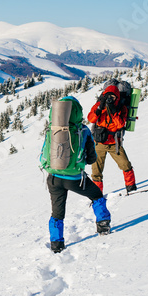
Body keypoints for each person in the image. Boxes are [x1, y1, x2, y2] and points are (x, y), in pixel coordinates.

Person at [41, 96, 111, 253]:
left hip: (53, 178)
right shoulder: (83, 130)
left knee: (57, 213)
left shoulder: (53, 129)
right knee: (96, 195)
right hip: (75, 179)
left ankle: (56, 244)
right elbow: (92, 159)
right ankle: (103, 224)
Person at [87, 80, 137, 194]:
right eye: (108, 96)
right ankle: (97, 194)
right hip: (99, 143)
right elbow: (91, 119)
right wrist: (100, 108)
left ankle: (131, 188)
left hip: (115, 143)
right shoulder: (99, 105)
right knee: (96, 171)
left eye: (113, 97)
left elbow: (120, 124)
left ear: (117, 97)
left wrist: (114, 110)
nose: (110, 99)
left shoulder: (122, 108)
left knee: (125, 165)